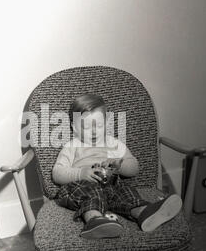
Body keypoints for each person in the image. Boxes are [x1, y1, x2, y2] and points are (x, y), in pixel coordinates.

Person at [52, 93, 182, 239]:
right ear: (74, 127)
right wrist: (81, 173)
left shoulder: (114, 144)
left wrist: (119, 166)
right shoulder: (72, 146)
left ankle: (144, 213)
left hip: (111, 187)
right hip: (80, 188)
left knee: (125, 193)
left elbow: (134, 168)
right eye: (86, 127)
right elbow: (57, 173)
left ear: (107, 123)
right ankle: (94, 220)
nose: (94, 131)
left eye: (99, 125)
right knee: (90, 192)